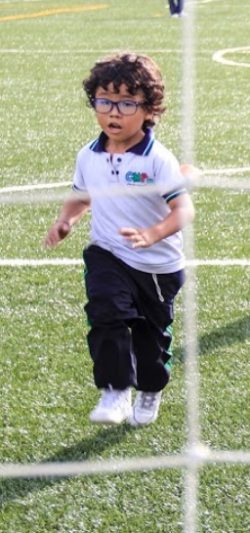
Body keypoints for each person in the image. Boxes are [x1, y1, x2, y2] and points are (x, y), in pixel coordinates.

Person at [44, 52, 194, 427]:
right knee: (105, 311)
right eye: (104, 101)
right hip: (108, 253)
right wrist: (66, 220)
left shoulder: (158, 159)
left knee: (150, 338)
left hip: (157, 266)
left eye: (127, 103)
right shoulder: (88, 155)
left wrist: (152, 233)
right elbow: (82, 194)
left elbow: (183, 211)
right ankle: (115, 389)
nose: (114, 112)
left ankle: (150, 389)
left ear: (148, 110)